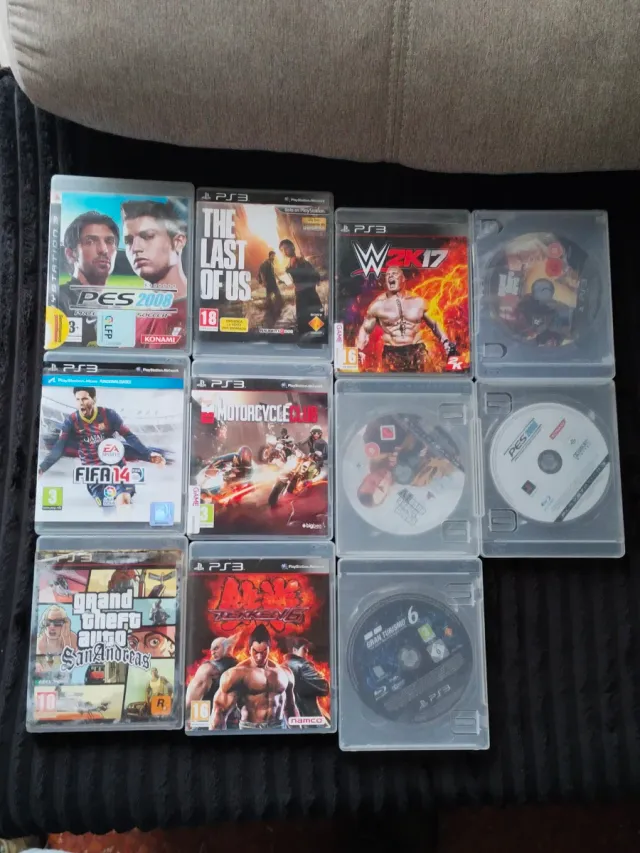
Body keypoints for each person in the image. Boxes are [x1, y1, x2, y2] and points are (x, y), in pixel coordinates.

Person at [38, 386, 165, 509]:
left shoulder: (109, 415)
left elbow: (128, 436)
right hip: (94, 474)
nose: (81, 403)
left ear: (94, 399)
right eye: (78, 399)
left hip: (116, 469)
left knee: (124, 501)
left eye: (85, 399)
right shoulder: (71, 421)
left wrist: (148, 454)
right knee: (108, 509)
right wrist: (42, 468)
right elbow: (59, 447)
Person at [356, 266, 457, 372]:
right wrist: (359, 350)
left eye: (394, 274)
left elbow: (435, 324)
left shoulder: (418, 302)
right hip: (392, 352)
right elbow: (365, 329)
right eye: (388, 275)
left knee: (422, 380)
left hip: (416, 350)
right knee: (391, 382)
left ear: (403, 279)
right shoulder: (378, 305)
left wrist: (446, 342)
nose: (390, 276)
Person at [121, 199, 189, 348]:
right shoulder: (131, 318)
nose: (135, 248)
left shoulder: (197, 312)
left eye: (148, 236)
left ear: (178, 242)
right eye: (128, 241)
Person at [211, 625, 299, 730]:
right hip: (250, 728)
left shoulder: (284, 672)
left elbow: (290, 708)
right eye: (255, 651)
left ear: (269, 649)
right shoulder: (236, 674)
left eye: (263, 652)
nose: (259, 657)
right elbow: (219, 711)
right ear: (249, 649)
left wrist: (300, 734)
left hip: (278, 726)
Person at [59, 211, 120, 345]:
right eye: (90, 241)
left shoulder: (117, 308)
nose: (103, 249)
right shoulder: (58, 300)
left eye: (109, 241)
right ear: (70, 254)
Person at [279, 239, 324, 337]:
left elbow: (316, 277)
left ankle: (317, 338)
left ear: (292, 247)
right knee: (302, 322)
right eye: (282, 250)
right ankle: (305, 338)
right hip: (300, 296)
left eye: (286, 248)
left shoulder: (303, 261)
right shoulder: (288, 266)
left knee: (316, 321)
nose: (285, 251)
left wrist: (305, 266)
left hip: (310, 295)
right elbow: (292, 281)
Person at [185, 634, 240, 712]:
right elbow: (196, 688)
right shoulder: (208, 668)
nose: (213, 652)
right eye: (211, 650)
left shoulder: (239, 665)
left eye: (216, 648)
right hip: (212, 711)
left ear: (227, 647)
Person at [284, 638, 329, 720]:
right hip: (308, 716)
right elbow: (324, 687)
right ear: (294, 650)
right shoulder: (303, 665)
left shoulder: (281, 666)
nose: (307, 651)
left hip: (289, 718)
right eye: (304, 649)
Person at [257, 250, 283, 317]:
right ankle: (268, 311)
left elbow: (273, 273)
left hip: (273, 282)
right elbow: (262, 273)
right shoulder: (265, 263)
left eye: (274, 256)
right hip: (269, 283)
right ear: (270, 255)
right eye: (273, 255)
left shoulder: (272, 263)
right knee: (269, 297)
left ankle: (275, 310)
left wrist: (279, 279)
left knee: (277, 295)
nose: (274, 257)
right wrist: (264, 282)